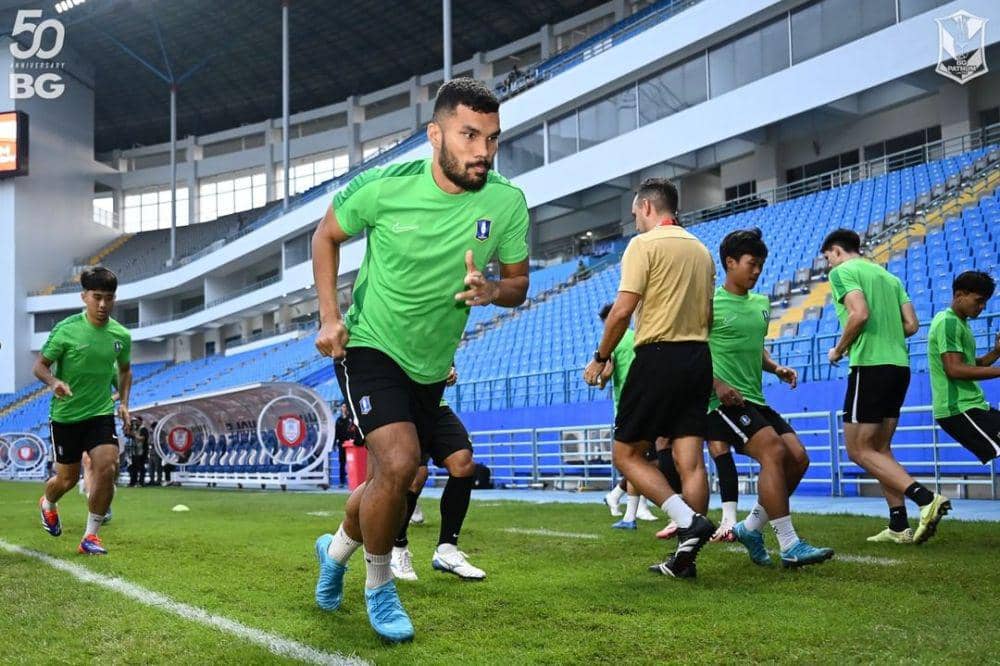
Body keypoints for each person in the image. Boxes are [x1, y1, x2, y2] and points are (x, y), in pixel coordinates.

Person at [310, 78, 529, 643]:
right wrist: (329, 316)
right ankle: (379, 586)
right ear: (436, 134)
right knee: (402, 464)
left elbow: (519, 283)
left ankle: (335, 550)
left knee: (389, 475)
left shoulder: (506, 202)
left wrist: (492, 293)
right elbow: (325, 235)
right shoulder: (385, 187)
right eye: (469, 135)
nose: (483, 150)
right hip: (370, 344)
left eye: (492, 138)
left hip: (433, 364)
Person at [583, 177, 716, 579]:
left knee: (625, 454)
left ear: (645, 208)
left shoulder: (643, 245)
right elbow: (708, 316)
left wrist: (600, 357)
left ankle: (689, 522)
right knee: (690, 461)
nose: (635, 222)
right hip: (698, 356)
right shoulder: (702, 251)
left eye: (634, 213)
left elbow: (622, 312)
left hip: (658, 355)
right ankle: (684, 559)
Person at [707, 229, 834, 568]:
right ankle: (789, 543)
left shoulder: (761, 304)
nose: (757, 271)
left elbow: (753, 347)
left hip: (755, 399)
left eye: (761, 264)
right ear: (730, 263)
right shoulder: (709, 305)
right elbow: (692, 352)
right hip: (722, 403)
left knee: (799, 457)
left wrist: (775, 367)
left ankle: (749, 528)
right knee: (774, 452)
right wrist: (717, 384)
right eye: (751, 264)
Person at [822, 228, 949, 545]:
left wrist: (839, 349)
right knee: (880, 449)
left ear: (836, 252)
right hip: (899, 367)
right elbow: (911, 325)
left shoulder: (843, 272)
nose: (828, 265)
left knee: (858, 450)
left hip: (870, 366)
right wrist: (886, 335)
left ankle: (925, 499)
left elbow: (859, 313)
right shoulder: (890, 278)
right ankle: (898, 526)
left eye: (827, 258)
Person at [34, 266, 132, 555]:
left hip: (100, 413)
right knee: (66, 479)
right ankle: (48, 503)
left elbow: (125, 371)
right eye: (97, 297)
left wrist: (124, 402)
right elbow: (39, 366)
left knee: (108, 465)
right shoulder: (66, 330)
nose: (103, 305)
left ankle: (91, 536)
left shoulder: (121, 335)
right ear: (84, 296)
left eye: (109, 298)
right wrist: (54, 382)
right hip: (65, 416)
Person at [391, 366, 486, 581]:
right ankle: (397, 548)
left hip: (435, 405)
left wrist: (449, 372)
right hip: (401, 409)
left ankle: (447, 550)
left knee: (463, 462)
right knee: (416, 477)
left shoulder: (442, 332)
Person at [594, 303, 658, 527]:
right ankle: (636, 508)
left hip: (647, 404)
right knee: (641, 459)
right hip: (627, 408)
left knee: (648, 460)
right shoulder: (609, 345)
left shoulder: (636, 336)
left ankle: (618, 497)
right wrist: (605, 376)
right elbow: (601, 381)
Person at [928, 272, 1000, 465]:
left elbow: (970, 364)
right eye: (979, 300)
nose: (983, 306)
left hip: (972, 406)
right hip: (958, 409)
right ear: (959, 295)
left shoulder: (961, 324)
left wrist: (996, 352)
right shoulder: (948, 322)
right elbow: (954, 369)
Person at [333, 402, 360, 487]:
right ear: (341, 408)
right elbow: (336, 433)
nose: (344, 408)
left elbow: (354, 430)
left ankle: (353, 481)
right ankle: (342, 481)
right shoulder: (338, 420)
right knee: (342, 462)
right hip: (341, 444)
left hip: (350, 444)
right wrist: (334, 443)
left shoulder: (351, 419)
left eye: (345, 407)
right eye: (343, 407)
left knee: (352, 462)